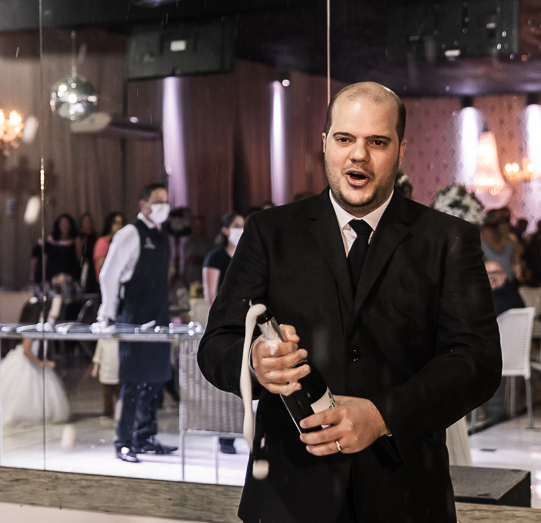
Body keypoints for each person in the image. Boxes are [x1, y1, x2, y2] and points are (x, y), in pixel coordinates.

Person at [198, 82, 501, 523]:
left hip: (408, 496)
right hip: (288, 497)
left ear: (400, 150)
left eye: (377, 142)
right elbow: (217, 345)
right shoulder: (269, 232)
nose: (359, 155)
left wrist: (382, 416)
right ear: (325, 144)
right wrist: (255, 365)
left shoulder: (449, 239)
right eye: (345, 139)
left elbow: (477, 362)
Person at [98, 182, 177, 463]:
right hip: (134, 318)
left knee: (155, 381)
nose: (164, 206)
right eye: (158, 201)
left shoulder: (162, 234)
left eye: (166, 201)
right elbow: (108, 275)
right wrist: (106, 313)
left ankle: (146, 436)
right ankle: (124, 441)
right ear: (143, 204)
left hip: (159, 317)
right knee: (133, 382)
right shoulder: (130, 233)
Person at [201, 211, 245, 454]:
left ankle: (245, 431)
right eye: (237, 225)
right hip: (225, 323)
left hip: (247, 322)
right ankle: (225, 435)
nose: (242, 229)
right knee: (228, 381)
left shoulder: (246, 254)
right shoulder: (216, 256)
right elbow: (211, 295)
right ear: (225, 230)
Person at [0, 338, 69, 427]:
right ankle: (15, 415)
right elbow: (26, 351)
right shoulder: (30, 333)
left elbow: (34, 351)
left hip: (27, 358)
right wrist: (40, 363)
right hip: (24, 361)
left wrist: (44, 361)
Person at [31, 213, 80, 285]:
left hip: (69, 277)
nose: (65, 226)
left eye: (67, 223)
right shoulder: (50, 241)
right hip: (51, 277)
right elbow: (41, 258)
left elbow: (79, 259)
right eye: (62, 223)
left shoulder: (74, 241)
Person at [482, 209, 523, 281]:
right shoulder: (486, 233)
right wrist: (504, 235)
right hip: (491, 279)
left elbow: (520, 251)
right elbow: (497, 250)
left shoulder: (510, 237)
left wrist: (507, 236)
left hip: (507, 277)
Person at [183, 216, 214, 288]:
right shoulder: (188, 243)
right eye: (195, 226)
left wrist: (197, 259)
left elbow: (212, 263)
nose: (197, 228)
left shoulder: (210, 244)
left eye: (199, 226)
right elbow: (185, 263)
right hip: (189, 282)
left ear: (203, 227)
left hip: (203, 282)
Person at [93, 211, 125, 280]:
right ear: (110, 225)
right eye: (117, 223)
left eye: (121, 223)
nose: (120, 226)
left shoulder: (121, 242)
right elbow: (102, 264)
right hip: (107, 281)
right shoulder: (102, 242)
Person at [76, 213, 99, 293]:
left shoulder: (96, 235)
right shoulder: (80, 237)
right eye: (85, 221)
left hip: (95, 263)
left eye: (89, 221)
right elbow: (79, 256)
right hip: (86, 266)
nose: (87, 223)